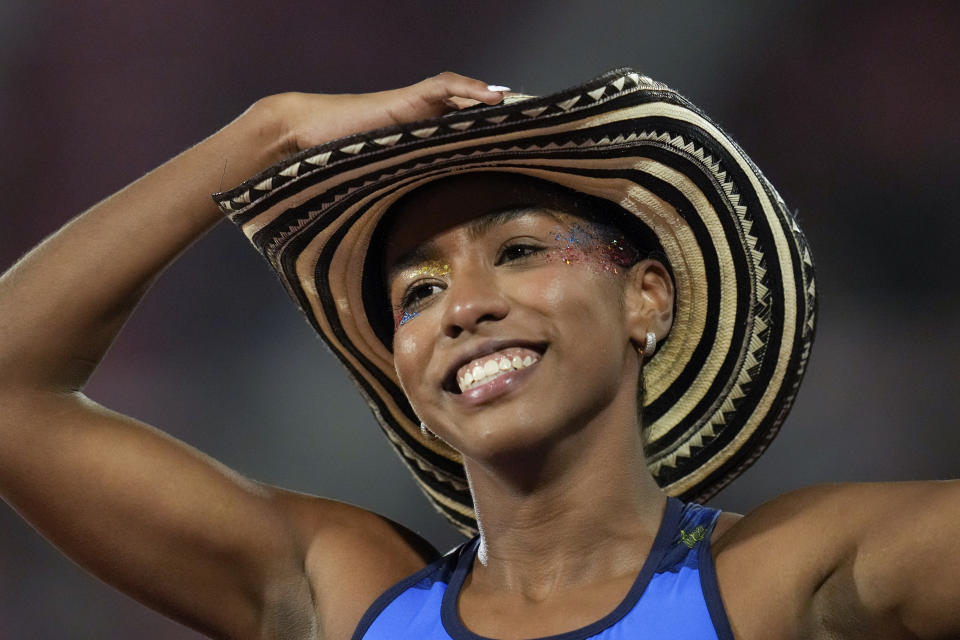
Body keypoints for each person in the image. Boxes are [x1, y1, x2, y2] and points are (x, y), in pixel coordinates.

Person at [0, 68, 957, 640]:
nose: (462, 308)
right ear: (405, 377)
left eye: (520, 250)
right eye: (416, 293)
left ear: (646, 297)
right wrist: (268, 131)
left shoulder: (792, 573)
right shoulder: (344, 595)